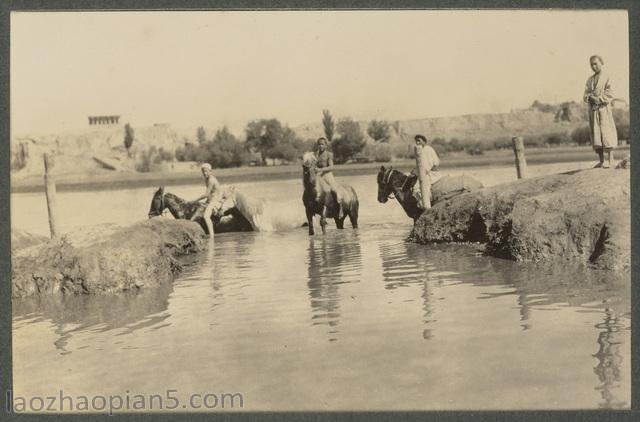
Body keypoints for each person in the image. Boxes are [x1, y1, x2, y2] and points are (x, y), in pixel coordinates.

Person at [583, 55, 618, 168]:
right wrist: (589, 97)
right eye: (591, 64)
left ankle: (611, 159)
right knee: (596, 133)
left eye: (595, 63)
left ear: (601, 63)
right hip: (593, 110)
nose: (594, 66)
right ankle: (602, 160)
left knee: (606, 131)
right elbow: (585, 93)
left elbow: (610, 93)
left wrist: (599, 99)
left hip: (603, 109)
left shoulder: (607, 76)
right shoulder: (589, 80)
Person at [314, 137, 344, 218]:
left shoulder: (329, 154)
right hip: (318, 175)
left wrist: (320, 169)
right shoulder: (316, 154)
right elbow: (313, 164)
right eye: (319, 144)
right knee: (313, 189)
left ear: (326, 145)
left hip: (327, 174)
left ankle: (340, 207)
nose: (320, 146)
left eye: (322, 144)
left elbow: (331, 167)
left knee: (334, 189)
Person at [409, 134, 442, 208]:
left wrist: (416, 172)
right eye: (416, 141)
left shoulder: (427, 149)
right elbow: (421, 165)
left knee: (417, 188)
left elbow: (427, 166)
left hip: (431, 173)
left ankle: (426, 206)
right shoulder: (421, 150)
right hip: (425, 172)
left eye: (419, 141)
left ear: (424, 141)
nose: (417, 143)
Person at [191, 162, 221, 239]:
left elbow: (206, 194)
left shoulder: (211, 180)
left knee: (206, 216)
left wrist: (195, 200)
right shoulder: (207, 179)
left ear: (210, 171)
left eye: (206, 171)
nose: (204, 173)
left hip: (216, 199)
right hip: (211, 199)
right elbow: (209, 194)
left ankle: (212, 236)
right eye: (203, 171)